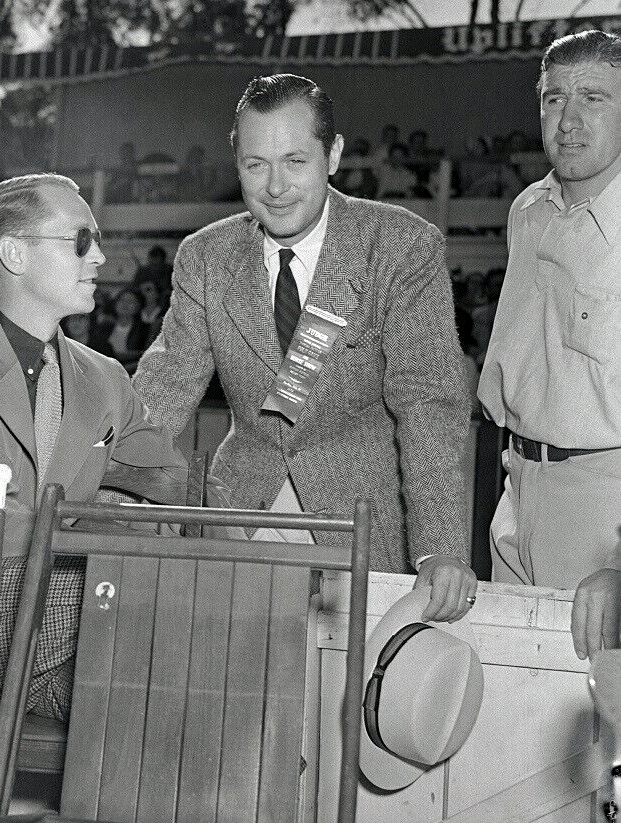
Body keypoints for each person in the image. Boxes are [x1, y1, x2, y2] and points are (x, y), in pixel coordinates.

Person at [133, 73, 477, 622]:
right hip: (243, 516)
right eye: (256, 165)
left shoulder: (399, 245)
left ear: (334, 154)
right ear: (236, 162)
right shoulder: (206, 256)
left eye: (295, 161)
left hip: (363, 525)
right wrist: (110, 487)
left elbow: (428, 405)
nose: (275, 187)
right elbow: (167, 384)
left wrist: (439, 547)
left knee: (342, 700)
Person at [0, 173, 220, 720]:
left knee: (189, 700)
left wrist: (118, 510)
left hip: (64, 641)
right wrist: (108, 517)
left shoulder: (106, 378)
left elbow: (173, 490)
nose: (102, 258)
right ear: (15, 254)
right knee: (166, 608)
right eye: (81, 240)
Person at [477, 30, 621, 660]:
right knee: (517, 707)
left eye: (593, 97)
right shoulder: (527, 211)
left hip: (605, 508)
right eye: (553, 98)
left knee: (597, 728)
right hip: (517, 487)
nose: (569, 121)